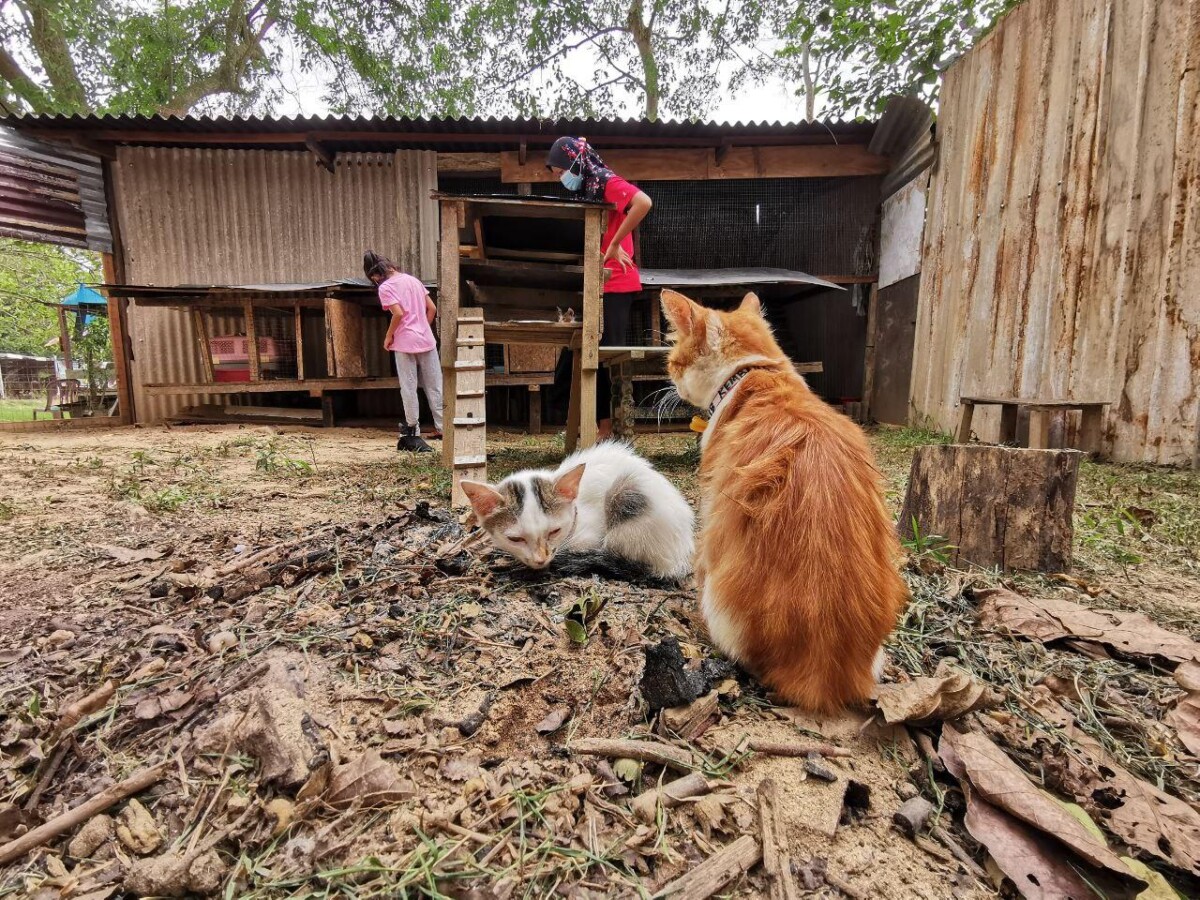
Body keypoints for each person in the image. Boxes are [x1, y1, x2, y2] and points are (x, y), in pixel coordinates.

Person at [546, 137, 652, 440]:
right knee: (585, 352)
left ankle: (606, 429)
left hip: (617, 282)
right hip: (597, 283)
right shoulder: (588, 188)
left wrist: (617, 243)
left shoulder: (606, 181)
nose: (559, 178)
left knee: (604, 355)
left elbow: (643, 202)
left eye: (558, 171)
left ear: (573, 162)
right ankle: (596, 426)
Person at [363, 251, 443, 453]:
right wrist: (422, 327)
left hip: (405, 342)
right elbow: (432, 308)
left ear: (374, 275)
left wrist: (388, 336)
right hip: (426, 340)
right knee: (435, 386)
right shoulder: (413, 280)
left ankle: (413, 433)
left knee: (409, 388)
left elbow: (398, 313)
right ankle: (444, 429)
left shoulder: (386, 287)